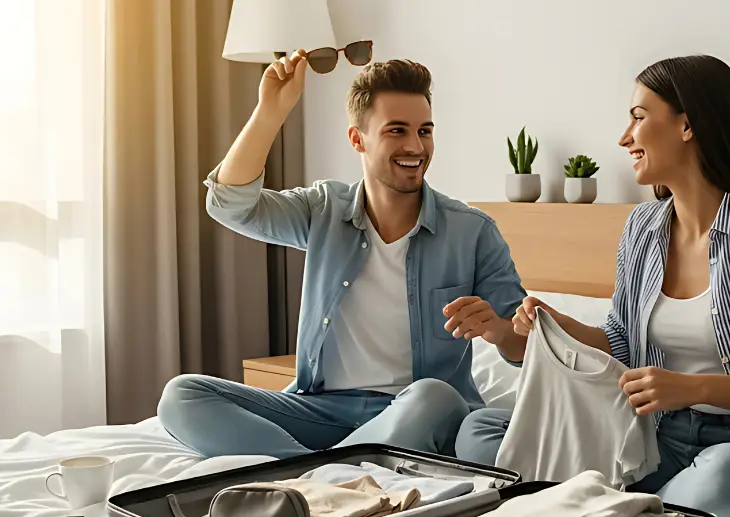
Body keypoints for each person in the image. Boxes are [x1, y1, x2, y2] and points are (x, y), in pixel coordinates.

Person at [456, 55, 730, 517]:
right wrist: (556, 325)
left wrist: (695, 387)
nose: (625, 137)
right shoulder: (644, 228)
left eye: (639, 117)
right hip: (653, 438)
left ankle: (599, 516)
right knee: (482, 431)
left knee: (723, 476)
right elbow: (624, 344)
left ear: (687, 124)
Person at [158, 52, 527, 459]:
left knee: (435, 395)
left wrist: (496, 329)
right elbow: (229, 205)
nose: (415, 146)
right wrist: (270, 112)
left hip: (419, 412)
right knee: (182, 396)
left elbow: (526, 348)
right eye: (397, 131)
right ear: (357, 139)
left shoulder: (472, 231)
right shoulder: (323, 210)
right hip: (322, 409)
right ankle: (325, 473)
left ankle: (313, 474)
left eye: (424, 131)